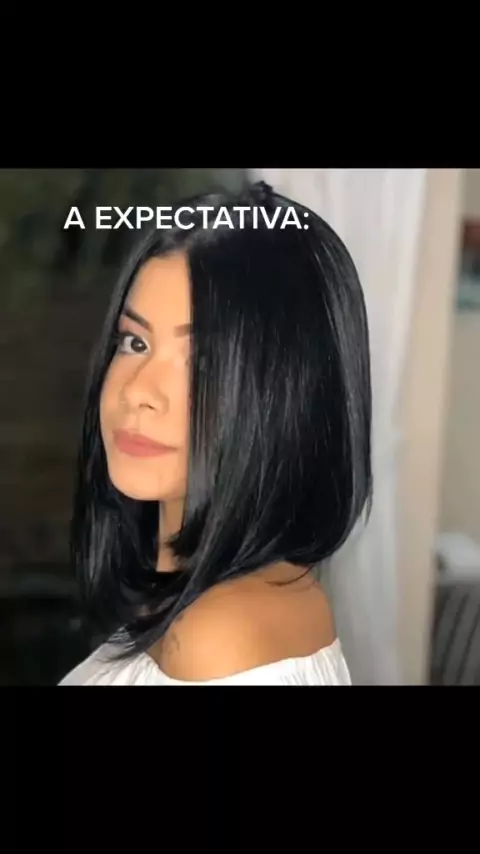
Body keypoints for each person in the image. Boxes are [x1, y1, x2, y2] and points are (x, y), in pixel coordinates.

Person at [60, 179, 372, 686]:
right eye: (135, 343)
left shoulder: (218, 639)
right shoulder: (230, 595)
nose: (138, 391)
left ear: (283, 393)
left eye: (201, 361)